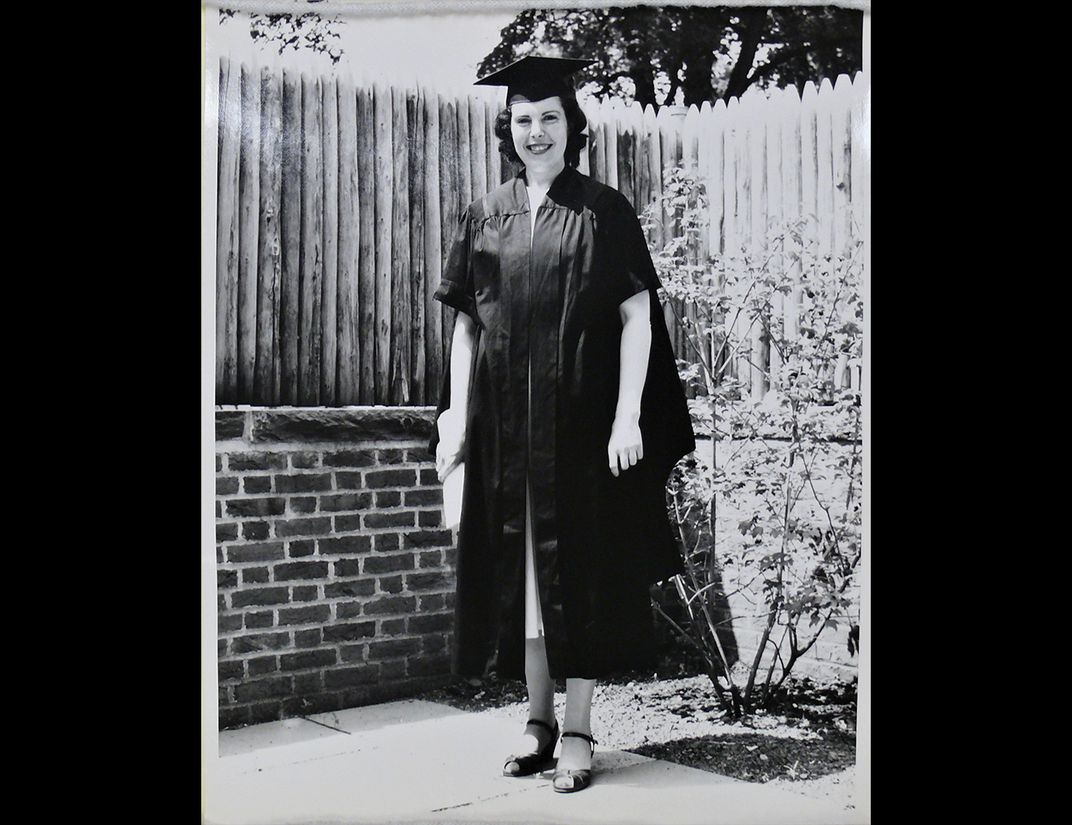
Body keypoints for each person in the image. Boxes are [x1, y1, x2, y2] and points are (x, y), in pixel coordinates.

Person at [428, 55, 695, 793]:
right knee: (525, 582)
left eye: (550, 117)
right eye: (523, 119)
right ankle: (537, 719)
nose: (536, 131)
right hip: (507, 432)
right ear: (506, 129)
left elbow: (638, 315)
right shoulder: (486, 213)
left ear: (572, 126)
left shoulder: (603, 210)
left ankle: (577, 727)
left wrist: (626, 415)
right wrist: (457, 416)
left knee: (578, 575)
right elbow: (466, 330)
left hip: (581, 430)